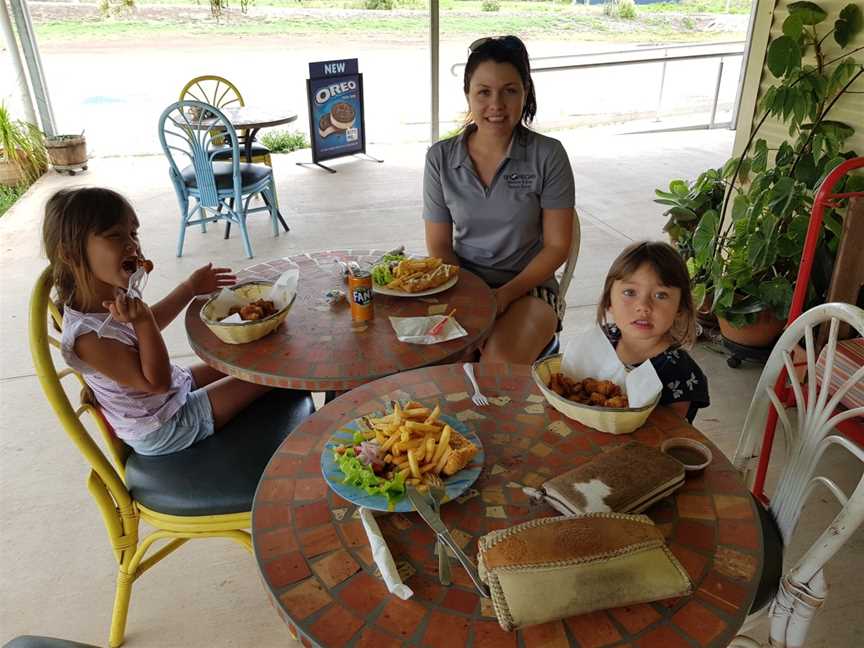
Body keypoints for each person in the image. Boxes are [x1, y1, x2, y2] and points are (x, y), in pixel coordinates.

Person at [43, 187, 273, 456]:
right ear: (70, 254)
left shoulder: (111, 292)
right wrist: (142, 322)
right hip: (163, 425)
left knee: (253, 357)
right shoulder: (87, 339)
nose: (132, 244)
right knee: (271, 375)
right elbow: (157, 382)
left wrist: (189, 288)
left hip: (173, 391)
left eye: (133, 233)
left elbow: (149, 323)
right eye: (115, 235)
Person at [423, 35, 575, 364]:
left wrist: (504, 295)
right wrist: (472, 299)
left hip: (529, 289)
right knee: (430, 359)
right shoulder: (440, 158)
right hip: (460, 285)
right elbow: (439, 246)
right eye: (484, 92)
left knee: (498, 362)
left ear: (525, 93)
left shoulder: (548, 155)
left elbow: (557, 246)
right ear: (468, 94)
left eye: (510, 90)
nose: (496, 104)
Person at [597, 240, 710, 422]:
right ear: (609, 300)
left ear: (680, 307)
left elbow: (667, 433)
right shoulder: (602, 340)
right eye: (630, 292)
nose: (643, 306)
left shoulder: (679, 372)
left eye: (660, 295)